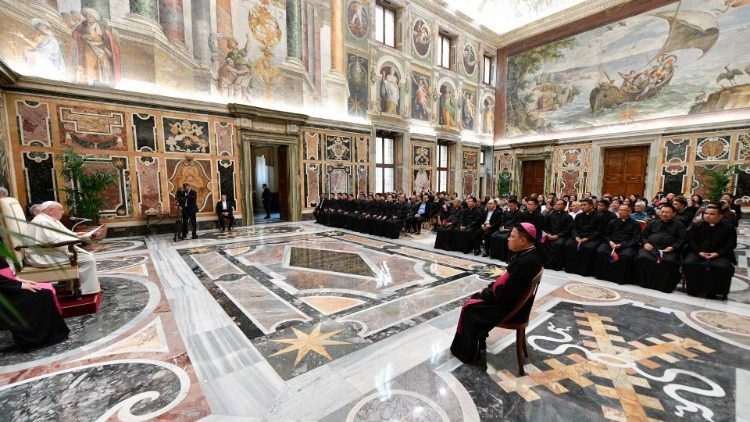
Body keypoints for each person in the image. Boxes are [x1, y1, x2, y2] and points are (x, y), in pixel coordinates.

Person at [450, 223, 543, 365]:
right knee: (475, 299)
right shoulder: (529, 254)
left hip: (510, 308)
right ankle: (478, 341)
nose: (508, 239)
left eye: (512, 236)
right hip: (512, 301)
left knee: (470, 307)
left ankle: (467, 353)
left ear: (523, 241)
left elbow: (506, 293)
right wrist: (490, 288)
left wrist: (486, 292)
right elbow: (509, 284)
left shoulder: (525, 262)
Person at [24, 201, 100, 295]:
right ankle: (85, 290)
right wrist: (78, 238)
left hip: (48, 252)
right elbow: (55, 241)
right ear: (51, 210)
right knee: (87, 259)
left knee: (85, 256)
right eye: (60, 209)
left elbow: (60, 236)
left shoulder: (47, 219)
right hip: (42, 256)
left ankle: (73, 287)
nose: (63, 212)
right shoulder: (43, 221)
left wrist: (76, 234)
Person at [0, 262, 69, 351]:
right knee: (43, 295)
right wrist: (18, 285)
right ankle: (34, 340)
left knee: (47, 289)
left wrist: (17, 280)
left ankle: (51, 335)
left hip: (7, 283)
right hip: (5, 291)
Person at [683, 204, 737, 299]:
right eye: (706, 213)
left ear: (720, 216)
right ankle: (693, 289)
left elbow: (731, 244)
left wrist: (717, 253)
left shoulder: (729, 227)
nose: (707, 215)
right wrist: (699, 252)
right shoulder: (696, 225)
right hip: (698, 252)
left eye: (712, 214)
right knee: (690, 263)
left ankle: (713, 292)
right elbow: (691, 240)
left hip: (720, 255)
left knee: (721, 267)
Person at [635, 204, 686, 293]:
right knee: (643, 257)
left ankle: (664, 286)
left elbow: (681, 240)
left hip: (668, 251)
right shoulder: (653, 222)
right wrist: (646, 243)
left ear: (674, 214)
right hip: (650, 249)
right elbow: (644, 236)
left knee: (669, 262)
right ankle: (644, 283)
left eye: (667, 212)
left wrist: (672, 247)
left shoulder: (680, 225)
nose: (664, 214)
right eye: (662, 212)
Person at [594, 204, 641, 284]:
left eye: (624, 210)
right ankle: (603, 275)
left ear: (629, 212)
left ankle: (619, 278)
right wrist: (610, 241)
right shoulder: (612, 222)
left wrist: (622, 245)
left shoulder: (635, 224)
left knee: (626, 256)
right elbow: (606, 235)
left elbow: (635, 239)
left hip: (626, 245)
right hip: (611, 243)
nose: (621, 212)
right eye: (620, 210)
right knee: (601, 251)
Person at [564, 199, 601, 276]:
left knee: (588, 248)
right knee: (569, 244)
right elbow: (574, 228)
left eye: (584, 205)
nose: (582, 207)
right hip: (578, 237)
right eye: (581, 205)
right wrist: (576, 237)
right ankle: (571, 269)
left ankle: (584, 271)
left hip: (591, 238)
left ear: (591, 206)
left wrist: (588, 238)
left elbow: (599, 231)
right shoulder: (579, 216)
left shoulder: (599, 216)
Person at [543, 199, 572, 270]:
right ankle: (545, 263)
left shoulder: (568, 217)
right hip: (550, 235)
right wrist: (548, 234)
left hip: (561, 236)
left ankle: (556, 266)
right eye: (556, 204)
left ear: (565, 206)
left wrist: (558, 235)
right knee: (541, 241)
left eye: (559, 204)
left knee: (558, 244)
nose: (557, 205)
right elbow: (546, 226)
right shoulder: (550, 214)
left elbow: (567, 230)